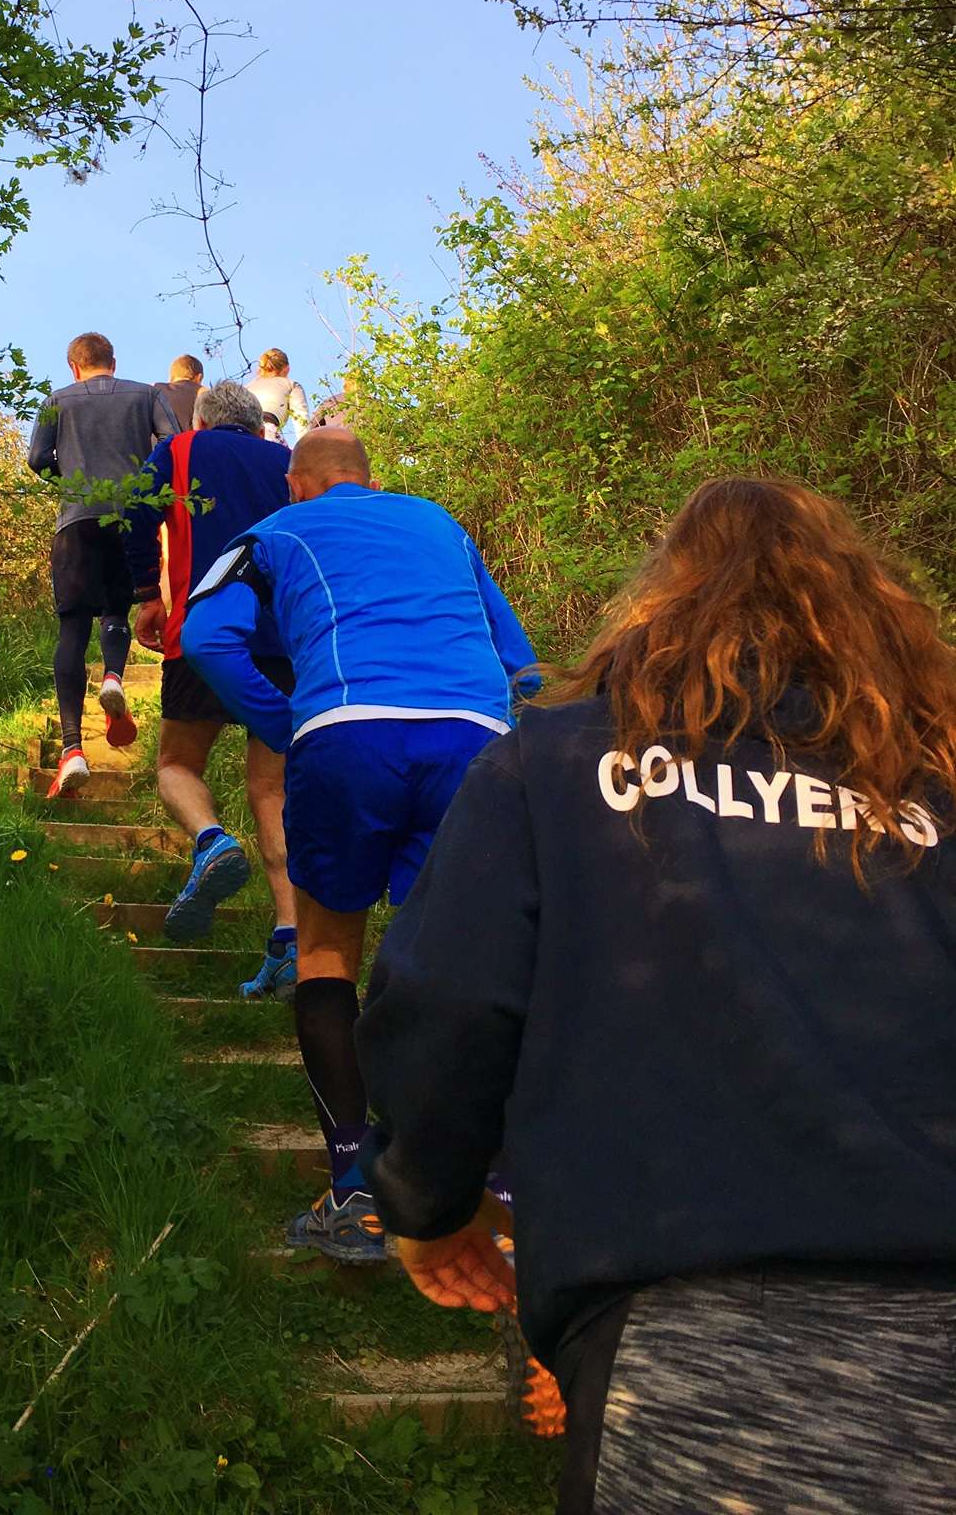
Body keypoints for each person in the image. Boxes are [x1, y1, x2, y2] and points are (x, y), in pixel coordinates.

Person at [357, 477, 956, 1515]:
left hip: (689, 1364)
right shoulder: (935, 797)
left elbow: (449, 1000)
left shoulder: (558, 764)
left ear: (662, 604)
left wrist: (427, 1204)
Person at [181, 427, 536, 1261]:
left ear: (298, 483)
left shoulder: (273, 530)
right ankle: (493, 1190)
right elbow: (520, 664)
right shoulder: (442, 525)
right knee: (456, 959)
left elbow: (205, 638)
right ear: (370, 481)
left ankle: (355, 1195)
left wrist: (284, 722)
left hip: (347, 731)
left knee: (326, 952)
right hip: (473, 737)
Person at [123, 380, 296, 996]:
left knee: (176, 764)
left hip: (203, 635)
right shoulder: (287, 461)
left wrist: (147, 594)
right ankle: (290, 940)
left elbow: (135, 515)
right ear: (256, 423)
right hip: (282, 644)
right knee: (272, 791)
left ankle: (212, 839)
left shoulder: (178, 450)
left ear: (201, 420)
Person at [27, 332, 179, 797]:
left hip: (77, 520)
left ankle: (72, 749)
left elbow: (37, 458)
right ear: (113, 362)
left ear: (74, 367)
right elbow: (173, 443)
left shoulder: (56, 400)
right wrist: (143, 484)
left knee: (72, 628)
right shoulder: (147, 395)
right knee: (116, 609)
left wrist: (70, 479)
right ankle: (113, 675)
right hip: (127, 516)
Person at [245, 349, 310, 445]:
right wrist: (307, 447)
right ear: (287, 369)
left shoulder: (247, 387)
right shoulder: (291, 385)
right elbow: (301, 420)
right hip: (267, 431)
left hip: (240, 434)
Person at [155, 353, 205, 432]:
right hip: (190, 439)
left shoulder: (154, 389)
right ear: (199, 377)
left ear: (171, 377)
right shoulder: (203, 392)